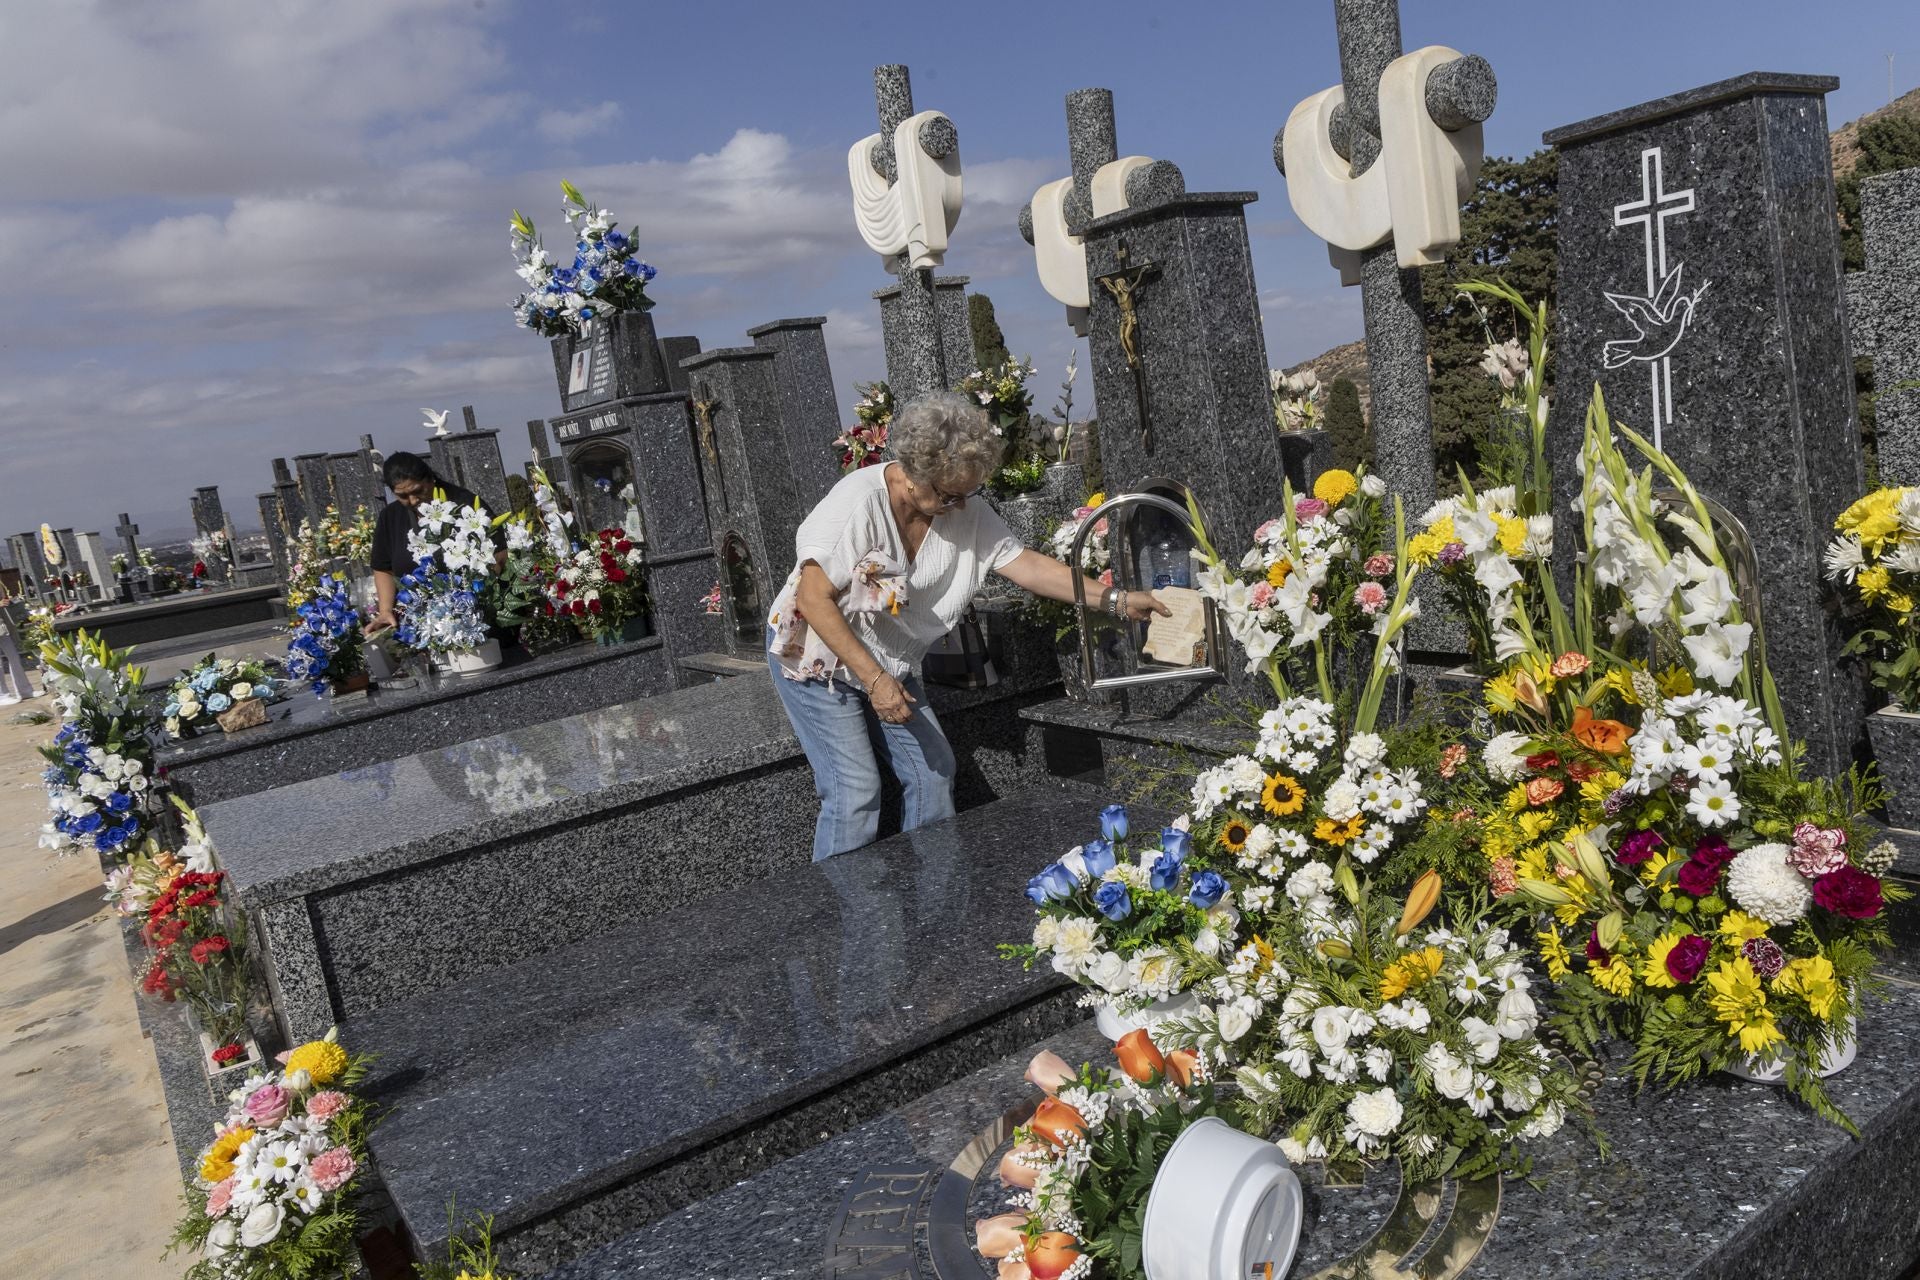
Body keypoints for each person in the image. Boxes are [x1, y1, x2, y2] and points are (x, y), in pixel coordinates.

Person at [767, 392, 1168, 861]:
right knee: (854, 791)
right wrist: (874, 680)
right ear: (913, 472)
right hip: (819, 659)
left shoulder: (963, 507)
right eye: (946, 493)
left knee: (933, 770)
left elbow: (1027, 566)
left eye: (966, 492)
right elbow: (813, 599)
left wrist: (1115, 600)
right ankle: (849, 919)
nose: (957, 504)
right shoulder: (858, 504)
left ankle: (933, 905)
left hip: (889, 659)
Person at [368, 451, 495, 632]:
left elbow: (496, 553)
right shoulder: (390, 517)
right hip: (422, 622)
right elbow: (383, 568)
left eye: (418, 491)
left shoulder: (463, 503)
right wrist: (385, 610)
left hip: (476, 615)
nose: (412, 500)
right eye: (403, 496)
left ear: (430, 479)